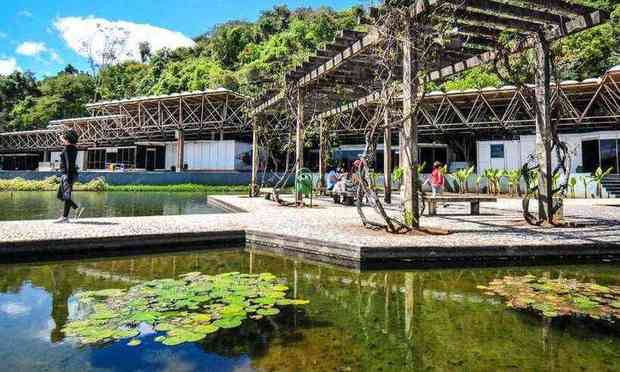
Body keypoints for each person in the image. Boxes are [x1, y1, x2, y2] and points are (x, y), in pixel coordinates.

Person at [55, 129, 84, 223]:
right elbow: (66, 141)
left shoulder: (68, 149)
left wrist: (66, 176)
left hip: (67, 174)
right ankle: (74, 208)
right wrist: (61, 136)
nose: (63, 139)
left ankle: (65, 216)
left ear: (68, 140)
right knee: (61, 195)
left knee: (66, 195)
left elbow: (68, 164)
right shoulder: (73, 148)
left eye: (65, 138)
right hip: (69, 174)